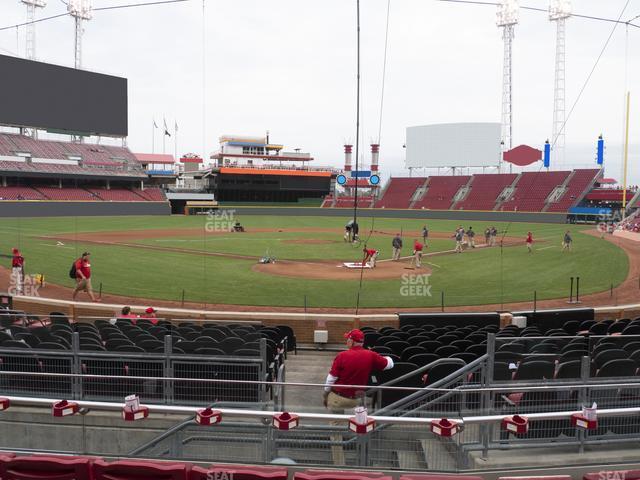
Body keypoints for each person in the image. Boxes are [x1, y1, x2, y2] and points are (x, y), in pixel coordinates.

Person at [323, 329, 394, 465]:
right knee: (360, 426)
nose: (346, 341)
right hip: (357, 401)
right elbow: (390, 364)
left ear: (352, 341)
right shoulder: (370, 355)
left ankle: (339, 464)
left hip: (338, 398)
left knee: (335, 429)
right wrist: (378, 355)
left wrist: (326, 394)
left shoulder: (342, 355)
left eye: (347, 339)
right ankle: (362, 459)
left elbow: (331, 379)